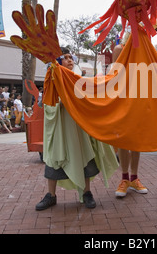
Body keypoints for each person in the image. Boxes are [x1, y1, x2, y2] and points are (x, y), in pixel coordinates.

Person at [35, 48, 119, 210]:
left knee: (84, 158)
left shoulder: (79, 80)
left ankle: (87, 193)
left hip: (79, 131)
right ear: (57, 62)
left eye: (71, 57)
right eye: (65, 58)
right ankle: (51, 195)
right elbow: (44, 104)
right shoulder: (52, 80)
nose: (70, 60)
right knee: (54, 160)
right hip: (60, 130)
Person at [112, 34, 149, 197]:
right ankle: (124, 178)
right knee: (123, 140)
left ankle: (134, 178)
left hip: (140, 97)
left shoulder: (145, 47)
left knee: (136, 141)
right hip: (122, 98)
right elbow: (114, 74)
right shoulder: (119, 49)